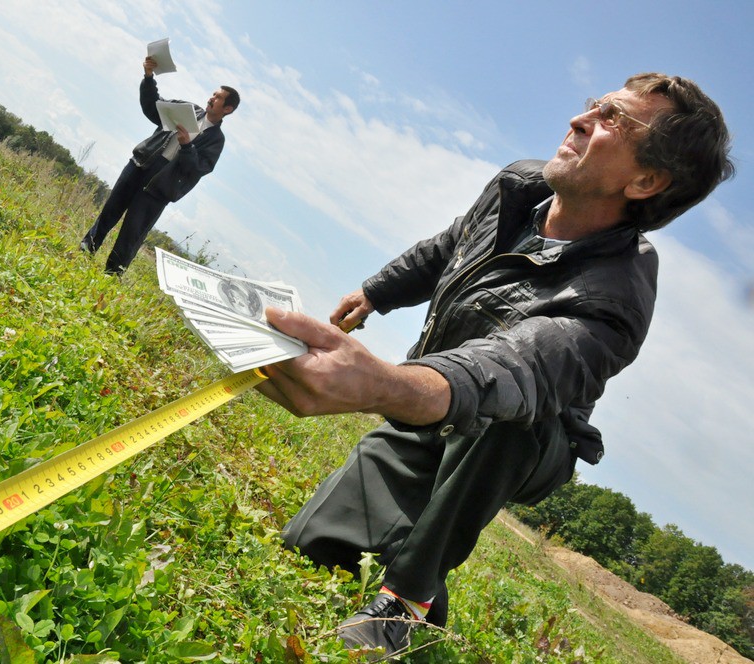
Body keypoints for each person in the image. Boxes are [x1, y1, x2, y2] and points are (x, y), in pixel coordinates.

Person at [256, 73, 733, 658]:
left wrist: (381, 384)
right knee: (313, 547)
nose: (581, 120)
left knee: (515, 413)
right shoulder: (517, 185)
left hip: (519, 443)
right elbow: (456, 241)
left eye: (614, 119)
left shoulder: (618, 296)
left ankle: (405, 600)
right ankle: (428, 594)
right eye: (595, 105)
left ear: (645, 180)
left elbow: (515, 367)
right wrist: (378, 291)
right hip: (431, 407)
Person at [80, 56, 239, 275]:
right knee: (110, 211)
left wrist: (186, 146)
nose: (212, 98)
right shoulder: (189, 109)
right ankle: (85, 250)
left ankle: (111, 275)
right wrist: (148, 77)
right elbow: (154, 107)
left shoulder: (216, 140)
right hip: (141, 164)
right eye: (213, 94)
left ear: (228, 109)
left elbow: (199, 168)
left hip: (161, 186)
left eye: (218, 97)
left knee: (133, 232)